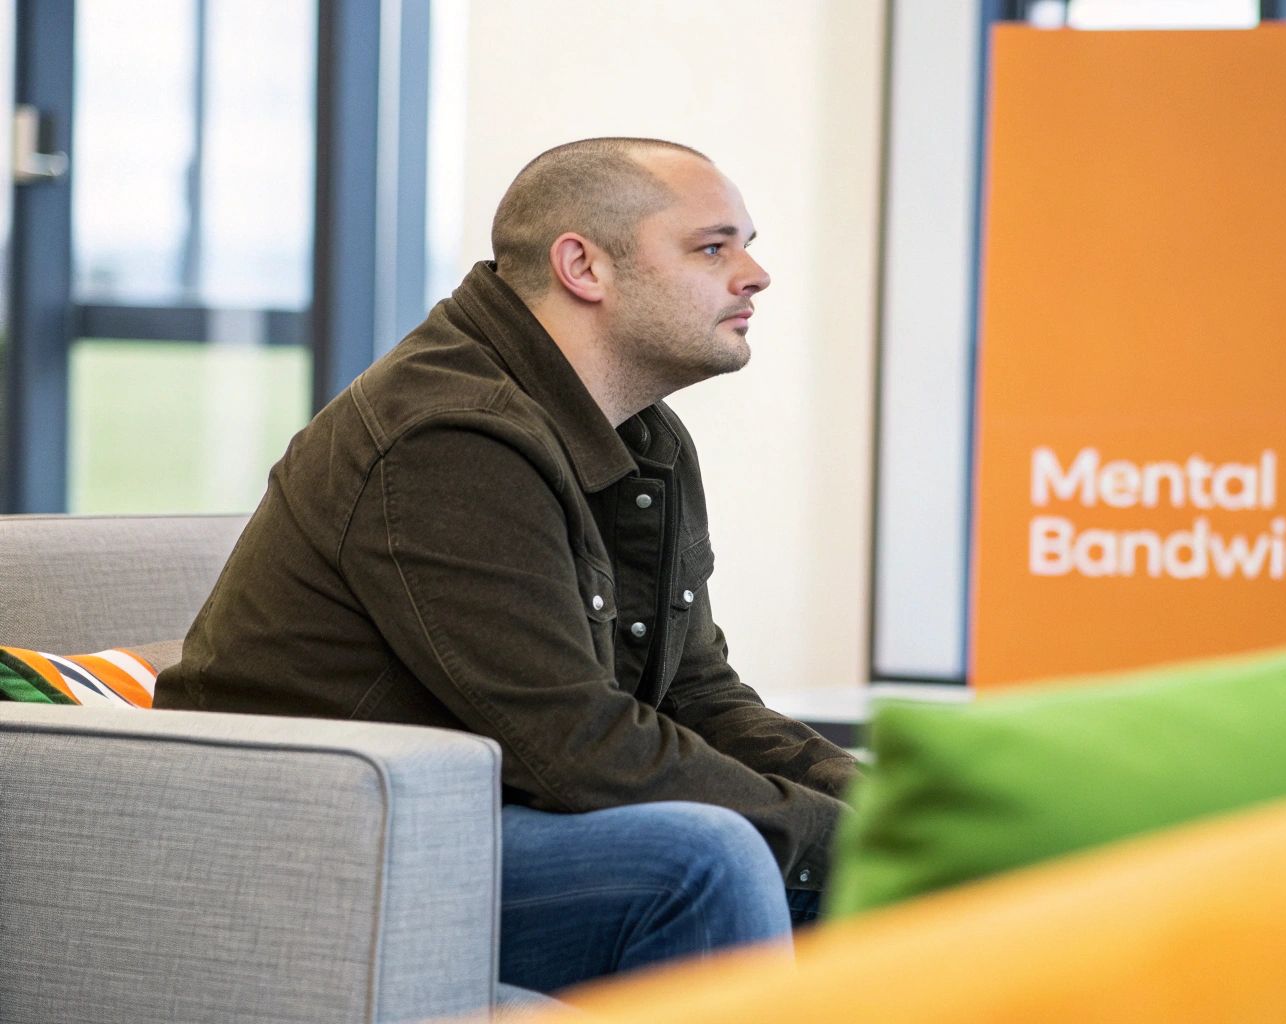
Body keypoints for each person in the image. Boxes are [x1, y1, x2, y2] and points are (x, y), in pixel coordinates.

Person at [156, 137, 859, 992]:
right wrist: (845, 840)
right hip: (309, 850)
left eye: (746, 245)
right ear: (583, 267)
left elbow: (695, 692)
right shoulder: (448, 437)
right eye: (714, 247)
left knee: (914, 856)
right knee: (706, 859)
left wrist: (879, 808)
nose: (754, 274)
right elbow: (575, 745)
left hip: (475, 821)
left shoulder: (642, 435)